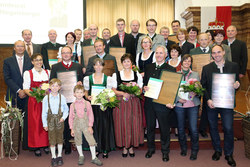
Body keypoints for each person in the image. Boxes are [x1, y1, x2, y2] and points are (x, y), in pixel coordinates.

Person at [201, 45, 240, 167]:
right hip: (212, 103)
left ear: (223, 52)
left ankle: (229, 154)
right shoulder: (207, 68)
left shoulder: (233, 66)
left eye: (219, 52)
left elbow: (237, 82)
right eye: (214, 53)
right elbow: (203, 86)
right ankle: (217, 150)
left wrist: (237, 85)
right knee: (213, 127)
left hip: (227, 103)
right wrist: (207, 100)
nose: (216, 54)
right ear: (211, 55)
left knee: (228, 128)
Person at [143, 46, 176, 162]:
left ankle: (165, 151)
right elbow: (145, 84)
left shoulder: (171, 69)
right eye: (157, 53)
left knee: (164, 128)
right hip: (149, 103)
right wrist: (144, 88)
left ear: (166, 55)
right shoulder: (148, 67)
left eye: (161, 53)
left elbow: (172, 88)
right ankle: (150, 149)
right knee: (150, 127)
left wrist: (171, 101)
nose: (158, 55)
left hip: (163, 104)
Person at [50, 46, 84, 154]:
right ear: (61, 54)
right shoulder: (55, 67)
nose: (65, 55)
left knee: (75, 120)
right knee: (63, 121)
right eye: (63, 53)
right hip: (61, 99)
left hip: (75, 99)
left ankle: (75, 143)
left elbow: (81, 81)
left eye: (68, 53)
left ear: (71, 54)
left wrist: (80, 83)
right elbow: (51, 83)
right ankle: (65, 144)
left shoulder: (77, 66)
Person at [112, 53, 144, 157]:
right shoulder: (116, 74)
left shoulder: (137, 75)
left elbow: (140, 89)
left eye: (128, 61)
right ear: (122, 63)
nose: (126, 63)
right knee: (122, 124)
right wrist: (123, 93)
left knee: (133, 123)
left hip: (134, 102)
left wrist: (135, 92)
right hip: (121, 103)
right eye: (124, 61)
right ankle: (125, 147)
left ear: (131, 63)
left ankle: (131, 146)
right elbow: (113, 89)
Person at [84, 58, 116, 158]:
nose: (98, 67)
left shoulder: (108, 79)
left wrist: (108, 97)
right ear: (93, 66)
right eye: (96, 65)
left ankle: (105, 148)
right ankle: (96, 149)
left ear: (103, 66)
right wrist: (87, 96)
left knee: (105, 127)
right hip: (93, 107)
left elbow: (110, 93)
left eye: (100, 65)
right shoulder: (88, 78)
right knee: (94, 127)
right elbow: (85, 91)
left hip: (104, 107)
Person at [173, 54, 201, 160]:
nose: (187, 63)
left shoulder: (195, 74)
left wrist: (196, 92)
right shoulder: (176, 74)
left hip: (192, 105)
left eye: (189, 61)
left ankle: (194, 150)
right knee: (180, 129)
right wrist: (177, 99)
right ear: (181, 62)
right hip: (180, 105)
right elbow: (173, 90)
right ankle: (183, 148)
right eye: (185, 61)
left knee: (193, 129)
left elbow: (199, 89)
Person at [23, 53, 50, 156]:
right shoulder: (28, 73)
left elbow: (51, 87)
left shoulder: (48, 72)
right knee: (35, 123)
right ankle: (36, 145)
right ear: (32, 62)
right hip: (34, 102)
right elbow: (26, 89)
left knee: (46, 122)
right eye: (36, 60)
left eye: (40, 60)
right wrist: (36, 95)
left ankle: (45, 144)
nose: (39, 62)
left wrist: (48, 93)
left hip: (46, 101)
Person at [69, 85, 103, 166]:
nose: (79, 94)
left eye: (81, 92)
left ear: (84, 93)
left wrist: (90, 126)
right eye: (77, 92)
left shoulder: (87, 104)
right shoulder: (72, 105)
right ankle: (81, 155)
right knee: (78, 140)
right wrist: (71, 128)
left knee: (91, 140)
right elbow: (70, 117)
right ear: (74, 94)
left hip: (86, 124)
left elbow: (91, 115)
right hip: (76, 125)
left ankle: (94, 157)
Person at [42, 78, 69, 167]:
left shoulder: (62, 97)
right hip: (50, 120)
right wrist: (45, 124)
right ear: (49, 87)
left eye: (57, 86)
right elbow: (44, 112)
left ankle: (60, 155)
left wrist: (63, 118)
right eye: (52, 86)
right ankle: (53, 156)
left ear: (59, 87)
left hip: (59, 120)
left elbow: (66, 110)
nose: (54, 88)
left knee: (60, 138)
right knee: (52, 139)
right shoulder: (46, 98)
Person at [190, 33, 211, 138]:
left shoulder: (213, 52)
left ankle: (203, 128)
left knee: (207, 106)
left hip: (209, 83)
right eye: (201, 40)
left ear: (209, 40)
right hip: (196, 81)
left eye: (205, 39)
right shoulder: (193, 52)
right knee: (194, 104)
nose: (203, 41)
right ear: (198, 41)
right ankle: (191, 128)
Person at [3, 40, 33, 113]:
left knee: (26, 119)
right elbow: (7, 78)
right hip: (13, 94)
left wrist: (25, 91)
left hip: (27, 95)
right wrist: (19, 90)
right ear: (14, 48)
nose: (20, 48)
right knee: (13, 121)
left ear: (24, 48)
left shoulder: (31, 61)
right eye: (18, 46)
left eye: (22, 46)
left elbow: (32, 77)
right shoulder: (7, 61)